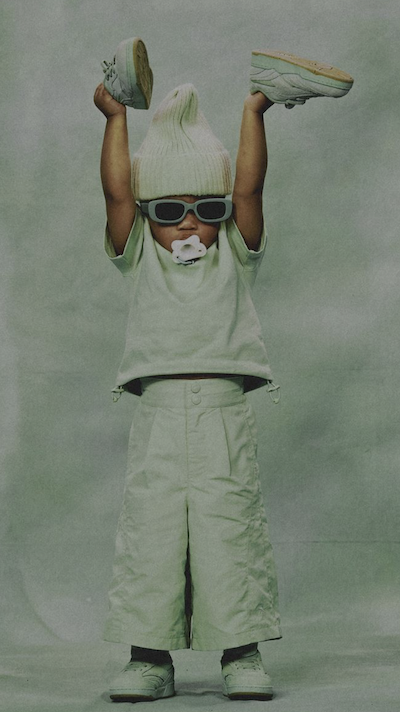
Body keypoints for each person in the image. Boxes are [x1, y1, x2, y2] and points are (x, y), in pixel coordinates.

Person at [93, 38, 353, 702]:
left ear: (224, 217)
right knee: (152, 531)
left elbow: (248, 186)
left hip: (222, 407)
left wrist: (255, 109)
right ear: (145, 215)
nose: (189, 225)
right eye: (168, 211)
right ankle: (149, 658)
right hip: (157, 409)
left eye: (208, 211)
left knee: (229, 526)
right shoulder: (138, 253)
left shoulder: (236, 251)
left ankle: (242, 653)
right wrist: (116, 118)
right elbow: (117, 190)